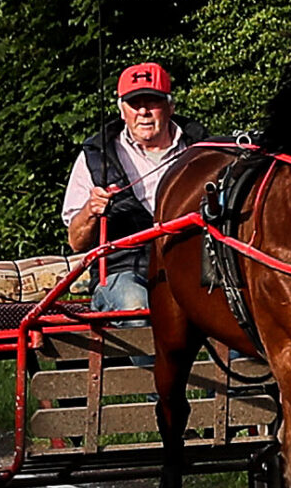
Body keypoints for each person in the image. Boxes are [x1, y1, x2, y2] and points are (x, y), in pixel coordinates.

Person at [62, 61, 207, 311]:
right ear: (122, 110)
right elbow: (76, 243)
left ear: (170, 106)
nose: (143, 112)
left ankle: (242, 353)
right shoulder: (96, 157)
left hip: (193, 266)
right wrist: (91, 211)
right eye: (134, 104)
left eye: (152, 102)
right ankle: (152, 351)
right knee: (136, 304)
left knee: (234, 306)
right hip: (124, 271)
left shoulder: (202, 151)